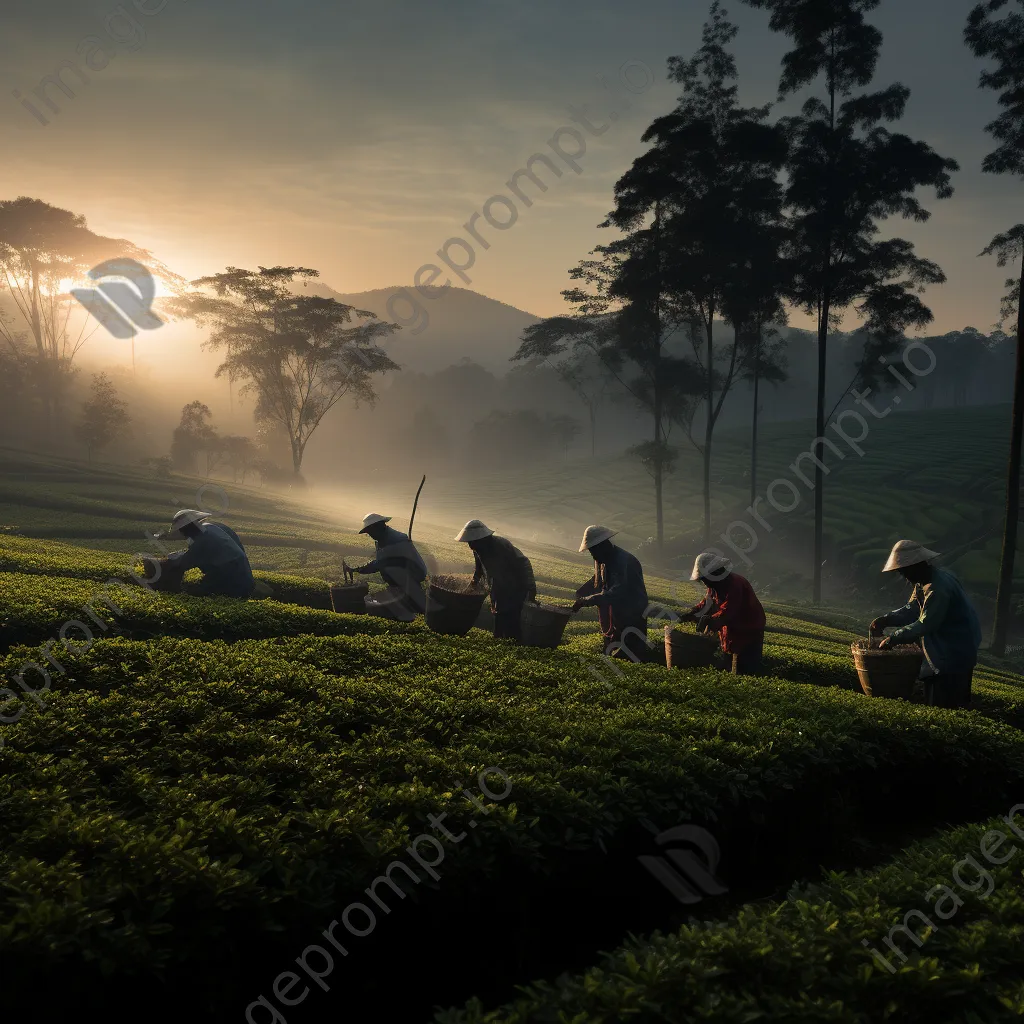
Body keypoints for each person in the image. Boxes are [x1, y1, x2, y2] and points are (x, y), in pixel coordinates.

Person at [870, 539, 982, 709]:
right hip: (946, 650)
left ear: (916, 566)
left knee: (944, 708)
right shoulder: (924, 582)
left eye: (904, 571)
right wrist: (887, 619)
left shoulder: (938, 589)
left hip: (953, 654)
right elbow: (913, 608)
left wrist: (894, 638)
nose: (903, 576)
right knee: (937, 704)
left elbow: (926, 623)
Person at [572, 526, 650, 661]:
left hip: (632, 619)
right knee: (613, 653)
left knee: (628, 657)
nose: (592, 555)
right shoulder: (607, 561)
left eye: (593, 550)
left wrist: (587, 600)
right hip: (618, 618)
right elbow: (597, 580)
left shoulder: (623, 561)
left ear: (602, 546)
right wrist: (580, 594)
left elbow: (617, 592)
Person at [681, 551, 766, 675]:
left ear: (715, 573)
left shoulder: (735, 584)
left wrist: (709, 620)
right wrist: (691, 613)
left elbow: (728, 612)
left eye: (705, 578)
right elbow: (707, 604)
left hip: (747, 632)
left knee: (743, 671)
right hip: (732, 631)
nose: (704, 583)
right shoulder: (715, 586)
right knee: (727, 666)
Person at [456, 519, 536, 642]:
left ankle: (514, 646)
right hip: (498, 588)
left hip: (515, 588)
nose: (470, 546)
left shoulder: (501, 545)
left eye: (472, 542)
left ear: (481, 539)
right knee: (498, 618)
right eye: (469, 542)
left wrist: (531, 587)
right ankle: (498, 641)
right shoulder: (478, 549)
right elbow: (479, 570)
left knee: (511, 620)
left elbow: (523, 563)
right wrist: (471, 586)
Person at [158, 509, 254, 599]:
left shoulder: (201, 539)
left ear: (188, 528)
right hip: (246, 574)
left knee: (194, 593)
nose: (184, 534)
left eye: (183, 531)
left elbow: (185, 561)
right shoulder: (214, 527)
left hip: (231, 580)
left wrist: (167, 561)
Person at [350, 512, 428, 622]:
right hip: (398, 582)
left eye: (370, 532)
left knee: (413, 611)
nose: (370, 535)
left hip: (408, 582)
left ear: (378, 527)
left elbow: (381, 563)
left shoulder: (395, 539)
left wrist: (359, 569)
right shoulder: (383, 538)